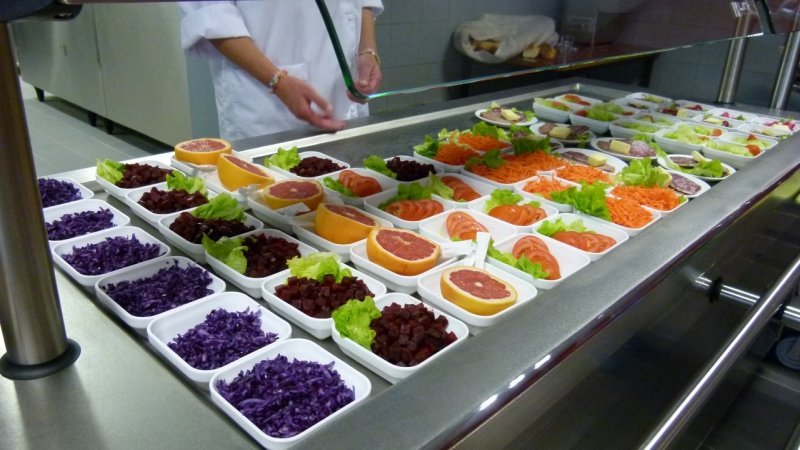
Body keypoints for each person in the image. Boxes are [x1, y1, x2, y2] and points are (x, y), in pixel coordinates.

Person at [180, 1, 383, 141]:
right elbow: (213, 16)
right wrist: (277, 81)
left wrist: (367, 50)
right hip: (266, 101)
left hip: (345, 90)